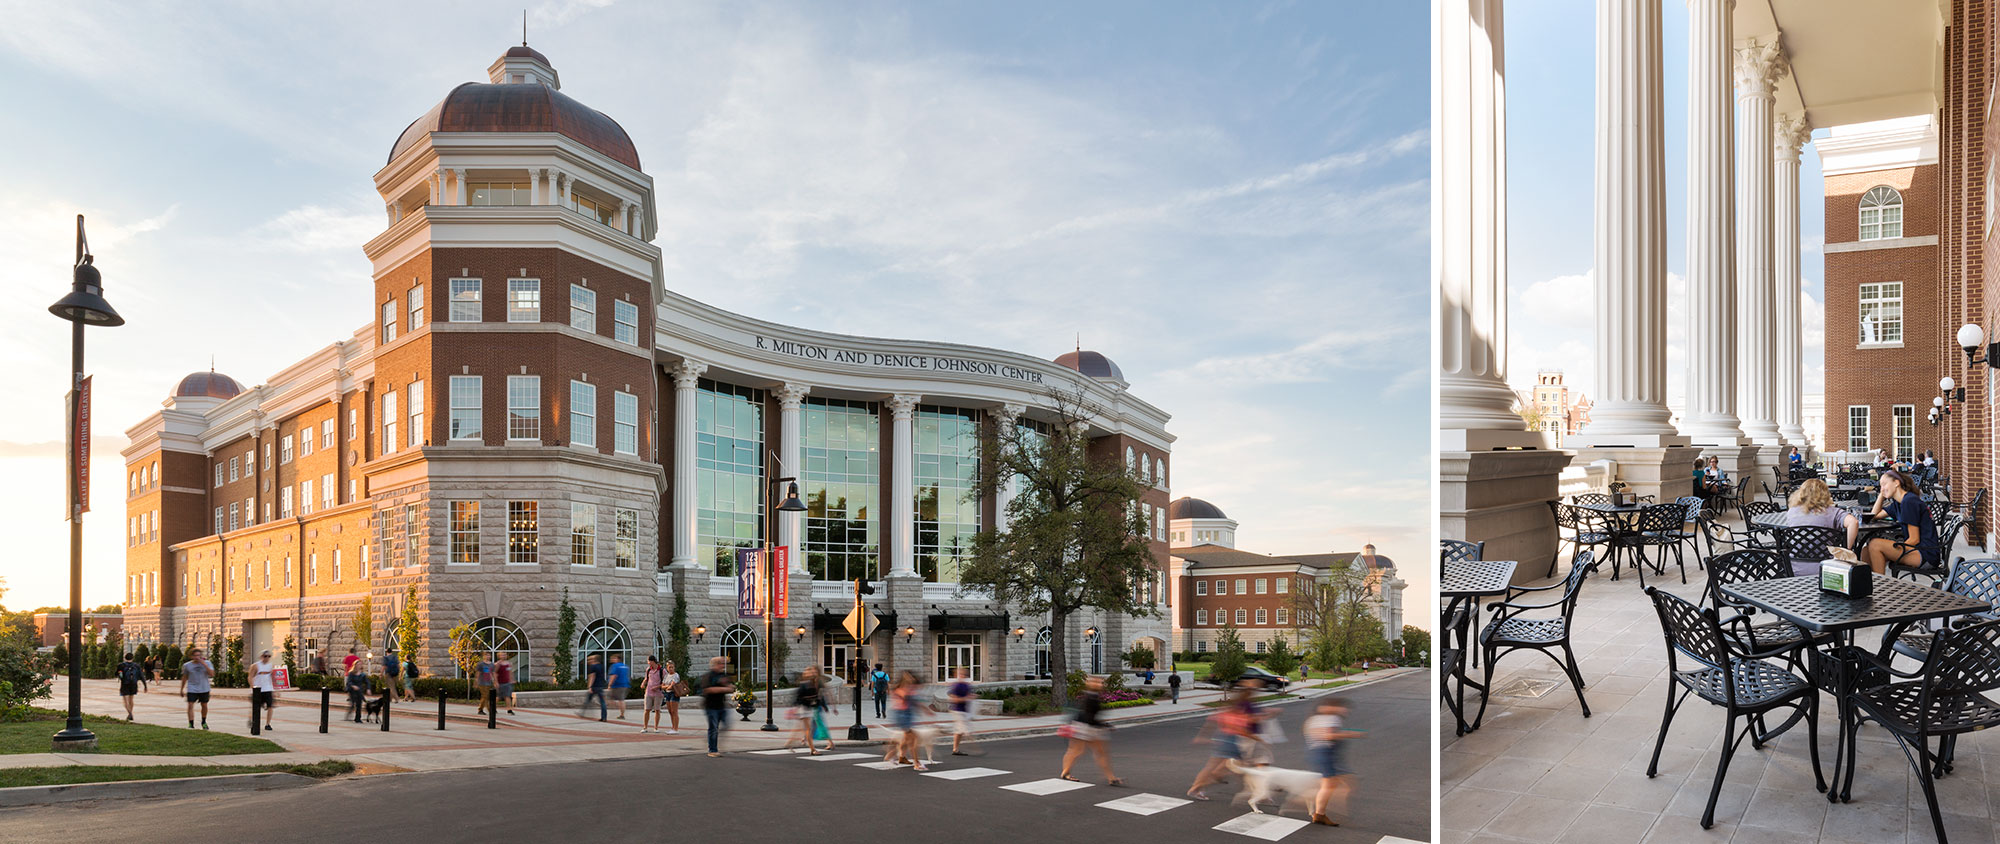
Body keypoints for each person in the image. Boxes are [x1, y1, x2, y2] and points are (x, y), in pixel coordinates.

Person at [1863, 468, 1942, 575]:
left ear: (1896, 483)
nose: (1882, 488)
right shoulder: (1898, 503)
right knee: (1866, 551)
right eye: (1880, 486)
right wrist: (1881, 495)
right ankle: (1869, 583)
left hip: (1926, 554)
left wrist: (1895, 548)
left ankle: (1879, 582)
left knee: (1875, 544)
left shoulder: (1909, 501)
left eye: (1884, 484)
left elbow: (1914, 539)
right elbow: (1874, 516)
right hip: (1916, 549)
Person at [1783, 478, 1859, 576]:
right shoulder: (1834, 512)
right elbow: (1854, 522)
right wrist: (1846, 549)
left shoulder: (1792, 511)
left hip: (1794, 568)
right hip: (1828, 569)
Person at [1305, 698, 1362, 827]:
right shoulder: (1331, 718)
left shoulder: (1313, 719)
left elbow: (1315, 735)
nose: (1345, 710)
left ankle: (1319, 813)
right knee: (1330, 785)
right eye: (1343, 707)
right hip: (1326, 753)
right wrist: (1350, 734)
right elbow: (1328, 736)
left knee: (1330, 784)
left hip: (1317, 752)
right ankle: (1318, 813)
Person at [1058, 676, 1122, 785]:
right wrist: (1103, 725)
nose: (1098, 684)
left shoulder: (1092, 696)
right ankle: (1111, 778)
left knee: (1080, 751)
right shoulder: (1090, 698)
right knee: (1082, 751)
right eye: (1095, 682)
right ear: (1089, 684)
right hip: (1086, 727)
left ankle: (1111, 778)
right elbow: (1089, 717)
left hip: (1084, 726)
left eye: (1100, 682)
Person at [887, 670, 928, 771]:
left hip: (905, 715)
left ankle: (894, 754)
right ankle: (917, 763)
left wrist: (924, 709)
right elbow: (907, 698)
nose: (912, 680)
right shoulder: (901, 690)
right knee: (913, 739)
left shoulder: (905, 690)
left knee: (906, 739)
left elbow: (915, 702)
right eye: (910, 679)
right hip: (902, 716)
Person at [794, 665, 835, 754]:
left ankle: (828, 743)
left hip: (816, 706)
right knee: (812, 725)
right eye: (812, 672)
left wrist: (830, 706)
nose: (812, 673)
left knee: (818, 725)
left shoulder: (818, 681)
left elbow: (826, 694)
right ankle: (806, 740)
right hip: (812, 706)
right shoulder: (811, 681)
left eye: (814, 672)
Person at [700, 656, 734, 757]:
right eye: (721, 663)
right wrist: (724, 689)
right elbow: (708, 689)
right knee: (713, 728)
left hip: (721, 705)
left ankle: (711, 739)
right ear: (715, 664)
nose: (723, 666)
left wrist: (728, 687)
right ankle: (712, 750)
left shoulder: (723, 675)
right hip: (711, 706)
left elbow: (731, 687)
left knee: (726, 725)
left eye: (724, 663)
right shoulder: (708, 676)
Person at [945, 667, 977, 756]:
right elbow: (954, 699)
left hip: (964, 710)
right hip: (957, 710)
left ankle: (955, 749)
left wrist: (972, 697)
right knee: (965, 729)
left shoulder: (967, 686)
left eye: (964, 675)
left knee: (959, 731)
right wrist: (965, 698)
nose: (963, 676)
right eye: (961, 674)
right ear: (957, 675)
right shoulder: (956, 686)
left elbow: (969, 695)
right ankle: (975, 748)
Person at [180, 647, 213, 729]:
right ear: (191, 656)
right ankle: (191, 723)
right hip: (192, 688)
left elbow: (212, 674)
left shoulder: (207, 663)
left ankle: (204, 721)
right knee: (190, 705)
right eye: (195, 655)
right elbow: (184, 677)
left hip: (204, 688)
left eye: (199, 655)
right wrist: (181, 689)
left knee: (204, 705)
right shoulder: (187, 665)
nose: (197, 657)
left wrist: (204, 664)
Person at [249, 649, 278, 731]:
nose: (267, 658)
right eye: (265, 656)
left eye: (269, 656)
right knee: (256, 708)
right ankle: (253, 722)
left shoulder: (271, 666)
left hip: (268, 689)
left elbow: (273, 677)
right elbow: (250, 676)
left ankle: (268, 724)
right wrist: (252, 686)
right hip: (259, 689)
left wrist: (275, 689)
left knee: (270, 707)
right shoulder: (255, 666)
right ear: (261, 656)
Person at [579, 653, 609, 721]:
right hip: (600, 686)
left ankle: (582, 713)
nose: (589, 661)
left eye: (591, 659)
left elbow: (592, 677)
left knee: (588, 700)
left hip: (595, 686)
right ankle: (604, 717)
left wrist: (590, 687)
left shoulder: (593, 667)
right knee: (602, 702)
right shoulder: (601, 666)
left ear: (594, 660)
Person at [641, 656, 667, 733]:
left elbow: (665, 682)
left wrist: (657, 687)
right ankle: (645, 727)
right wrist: (643, 683)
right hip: (649, 692)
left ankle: (656, 727)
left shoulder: (662, 670)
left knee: (657, 710)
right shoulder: (648, 670)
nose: (648, 663)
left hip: (658, 693)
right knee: (647, 709)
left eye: (649, 661)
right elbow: (646, 678)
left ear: (652, 661)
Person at [116, 652, 142, 720]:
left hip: (125, 684)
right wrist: (145, 685)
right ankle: (130, 713)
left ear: (125, 658)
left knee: (125, 700)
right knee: (131, 700)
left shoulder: (121, 665)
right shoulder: (136, 665)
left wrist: (121, 677)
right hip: (133, 684)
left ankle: (130, 713)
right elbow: (141, 675)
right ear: (132, 658)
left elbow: (117, 674)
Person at [607, 653, 631, 720]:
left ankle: (621, 714)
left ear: (617, 659)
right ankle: (621, 713)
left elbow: (614, 676)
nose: (611, 659)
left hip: (617, 685)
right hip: (625, 684)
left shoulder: (615, 666)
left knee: (618, 700)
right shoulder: (625, 666)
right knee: (620, 700)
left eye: (613, 658)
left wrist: (609, 685)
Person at [662, 659, 683, 734]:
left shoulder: (676, 675)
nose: (670, 669)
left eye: (672, 667)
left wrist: (667, 686)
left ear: (674, 667)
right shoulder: (666, 676)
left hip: (674, 694)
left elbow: (672, 685)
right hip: (667, 694)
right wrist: (667, 687)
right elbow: (662, 686)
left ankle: (676, 728)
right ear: (667, 668)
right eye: (669, 667)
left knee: (674, 711)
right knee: (670, 711)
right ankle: (673, 727)